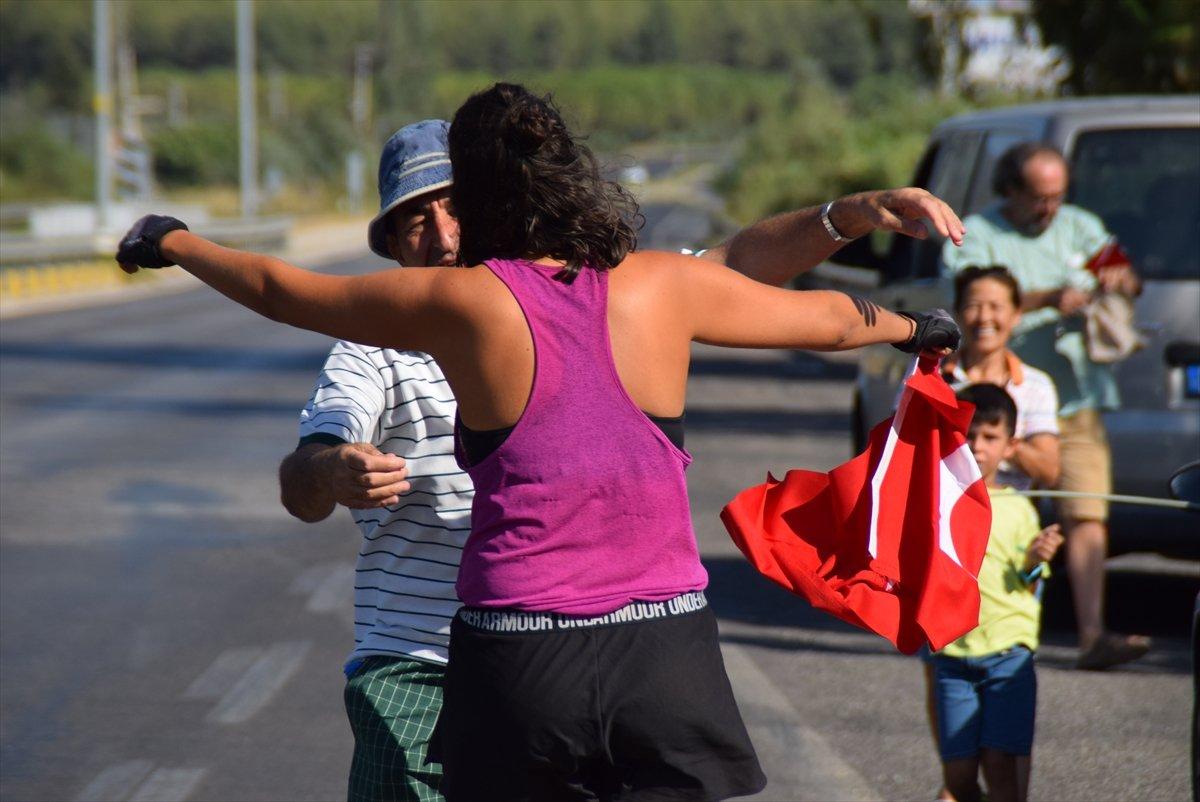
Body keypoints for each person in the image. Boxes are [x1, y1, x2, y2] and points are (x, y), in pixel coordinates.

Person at [117, 82, 961, 800]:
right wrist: (912, 325)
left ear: (479, 199)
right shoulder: (659, 284)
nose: (442, 232)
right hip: (662, 653)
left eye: (452, 204)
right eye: (418, 218)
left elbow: (284, 291)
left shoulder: (458, 306)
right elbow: (819, 316)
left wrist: (174, 240)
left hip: (519, 656)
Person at [940, 142, 1148, 671]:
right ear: (1009, 190)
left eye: (1057, 197)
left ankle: (1092, 634)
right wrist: (1048, 297)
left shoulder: (1081, 227)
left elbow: (1124, 272)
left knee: (1085, 511)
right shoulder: (979, 234)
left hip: (1073, 397)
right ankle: (961, 624)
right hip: (997, 392)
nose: (1049, 209)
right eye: (1037, 199)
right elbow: (973, 294)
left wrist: (1121, 281)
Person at [930, 383, 1064, 802]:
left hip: (1008, 652)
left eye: (990, 437)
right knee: (959, 774)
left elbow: (1031, 581)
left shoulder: (1020, 507)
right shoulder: (935, 500)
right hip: (951, 654)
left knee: (1001, 767)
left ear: (1011, 446)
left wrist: (1037, 559)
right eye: (969, 435)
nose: (977, 446)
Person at [943, 265, 1060, 488]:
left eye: (996, 307)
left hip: (1007, 510)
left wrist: (995, 434)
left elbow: (1049, 471)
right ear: (957, 313)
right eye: (973, 307)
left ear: (1017, 315)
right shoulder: (929, 375)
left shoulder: (1036, 386)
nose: (984, 317)